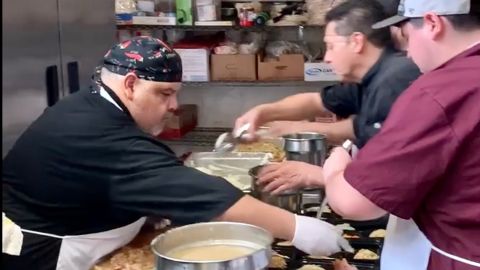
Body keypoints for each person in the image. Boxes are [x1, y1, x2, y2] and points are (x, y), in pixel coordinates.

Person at [1, 37, 352, 270]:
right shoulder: (94, 131)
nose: (174, 106)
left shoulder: (94, 106)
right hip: (46, 256)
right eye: (165, 93)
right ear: (130, 84)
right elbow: (194, 190)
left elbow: (110, 182)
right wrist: (299, 228)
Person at [322, 0, 480, 269]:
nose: (406, 52)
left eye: (406, 35)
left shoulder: (440, 91)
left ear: (432, 23)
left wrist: (334, 167)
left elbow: (356, 203)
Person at [234, 0, 420, 194]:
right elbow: (316, 101)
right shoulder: (369, 76)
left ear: (357, 42)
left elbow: (387, 178)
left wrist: (317, 174)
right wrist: (263, 112)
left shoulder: (394, 82)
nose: (326, 58)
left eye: (331, 46)